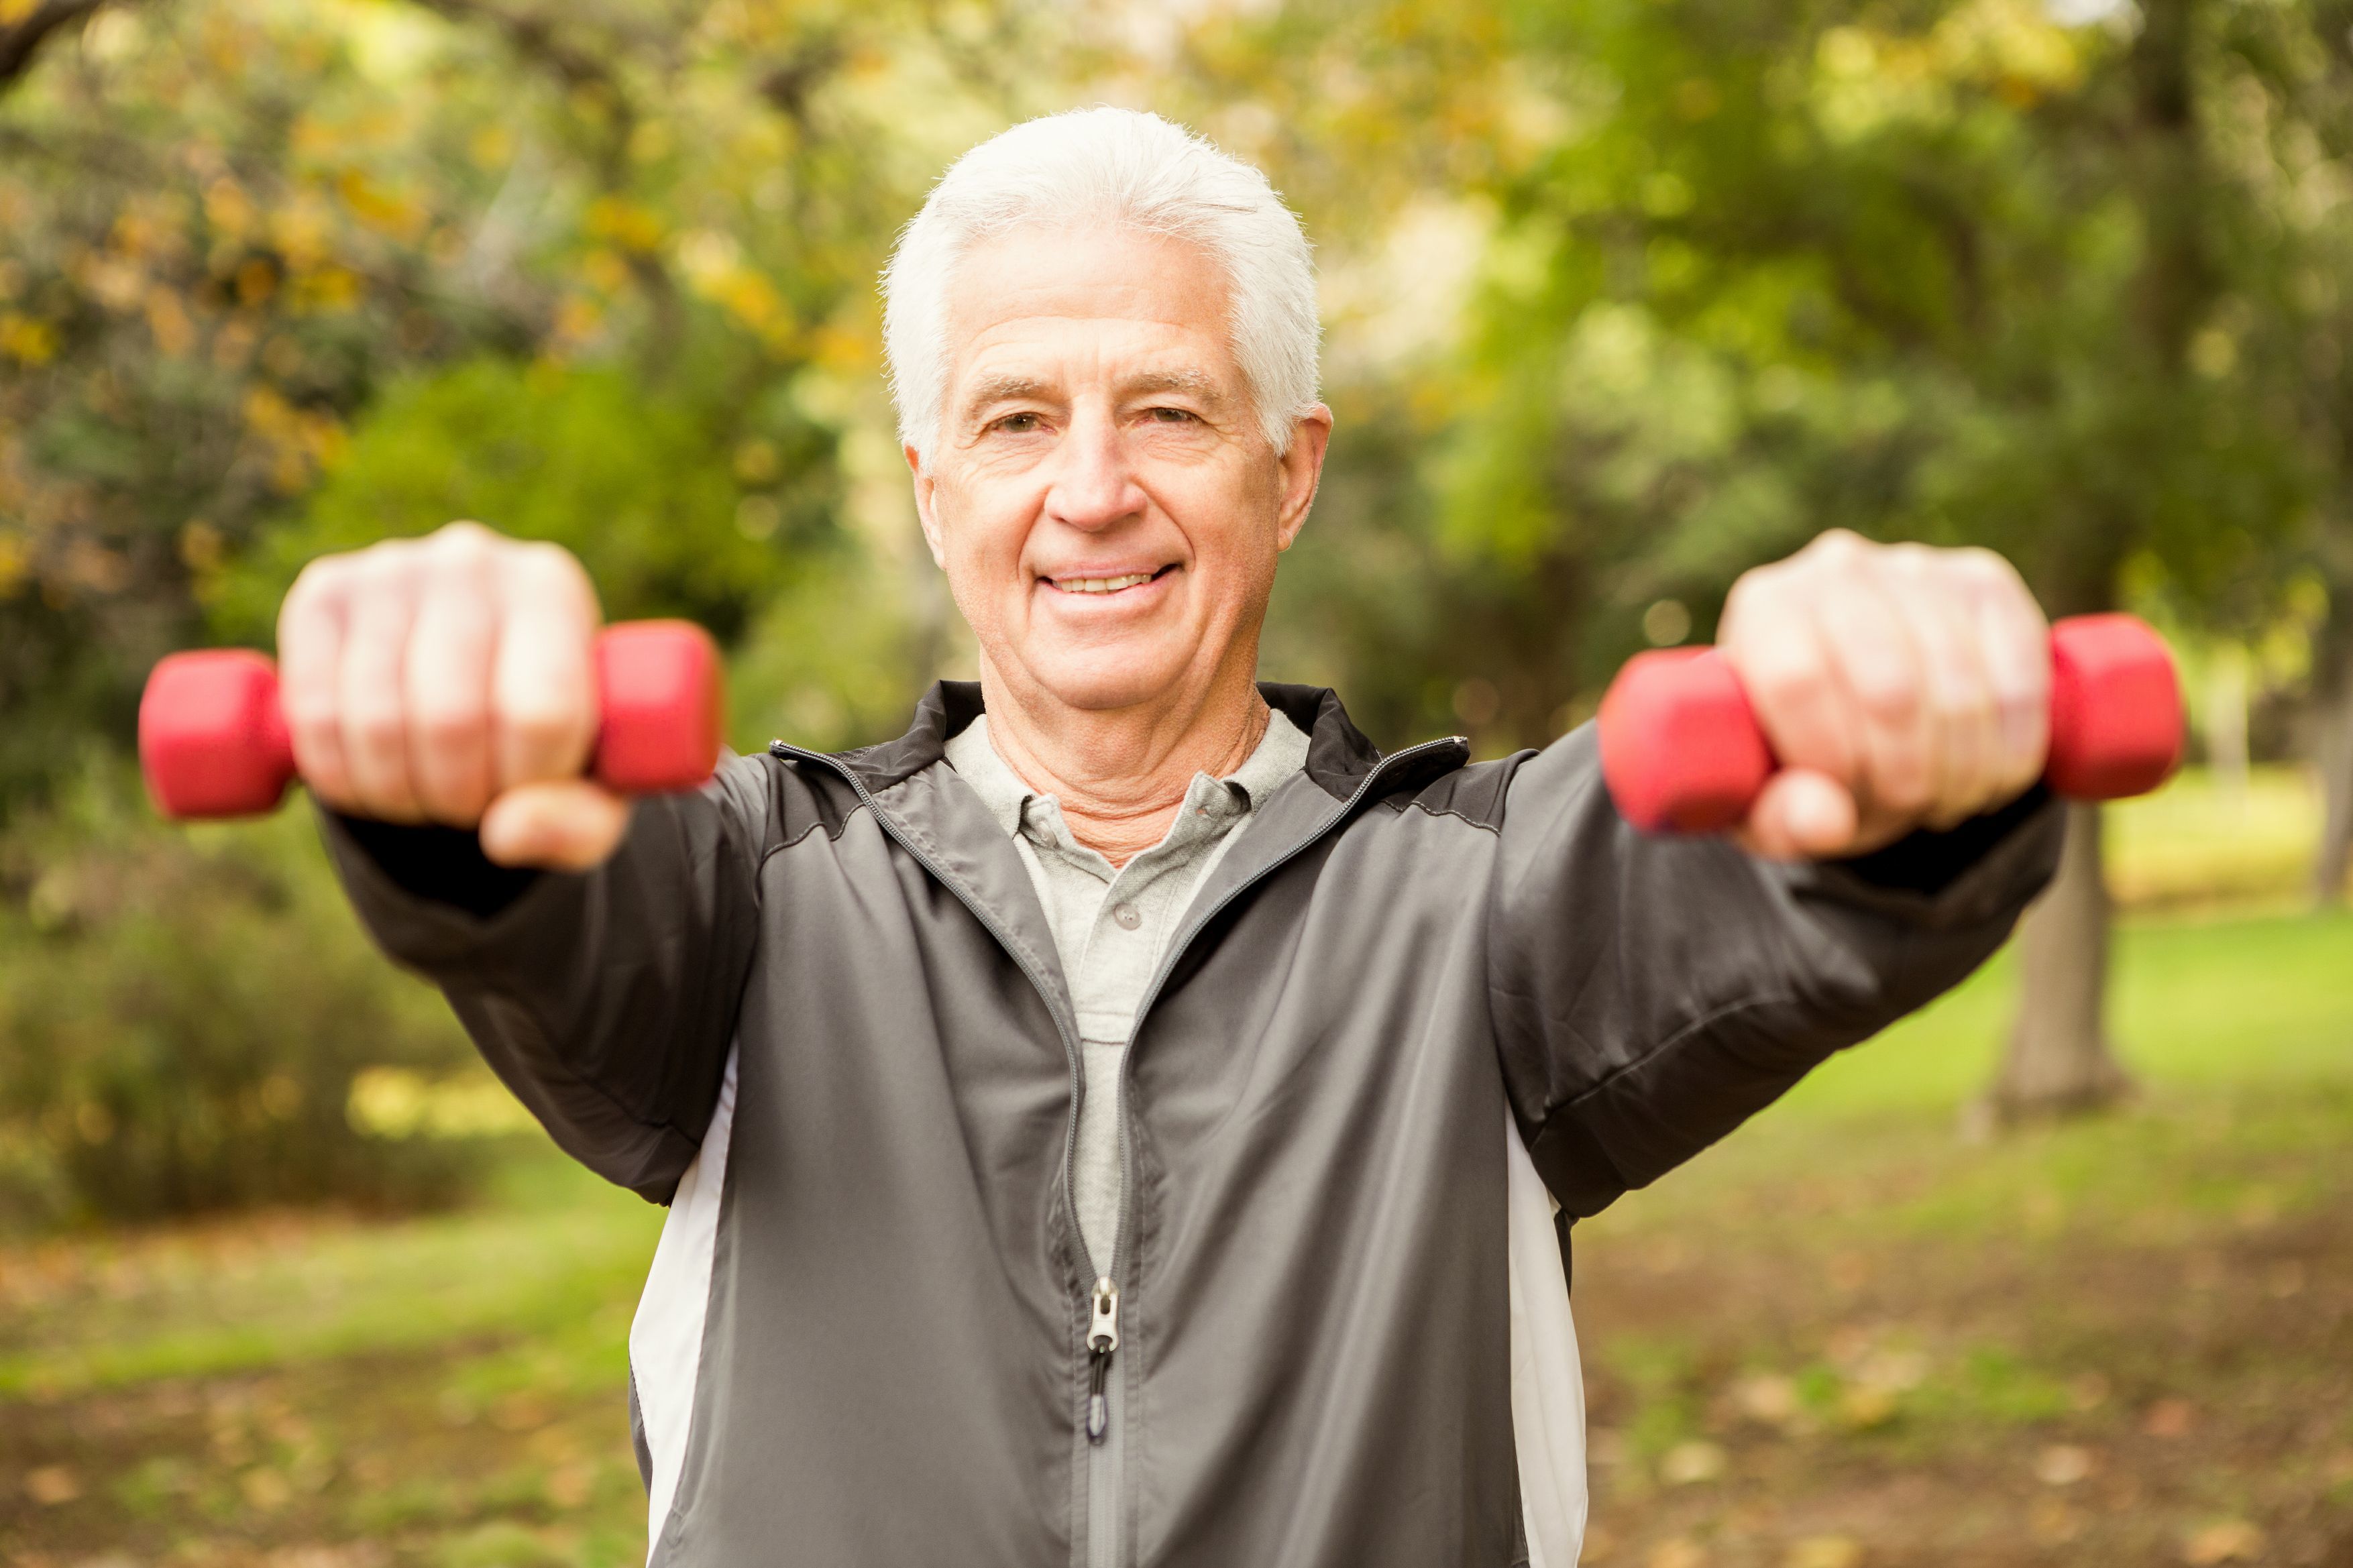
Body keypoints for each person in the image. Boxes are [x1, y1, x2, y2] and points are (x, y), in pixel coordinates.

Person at [290, 109, 2063, 1568]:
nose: (1088, 491)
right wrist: (452, 783)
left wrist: (1895, 741)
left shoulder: (1486, 896)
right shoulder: (744, 892)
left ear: (1286, 471)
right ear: (933, 488)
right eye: (1014, 421)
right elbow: (558, 908)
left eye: (1163, 410)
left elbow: (1759, 885)